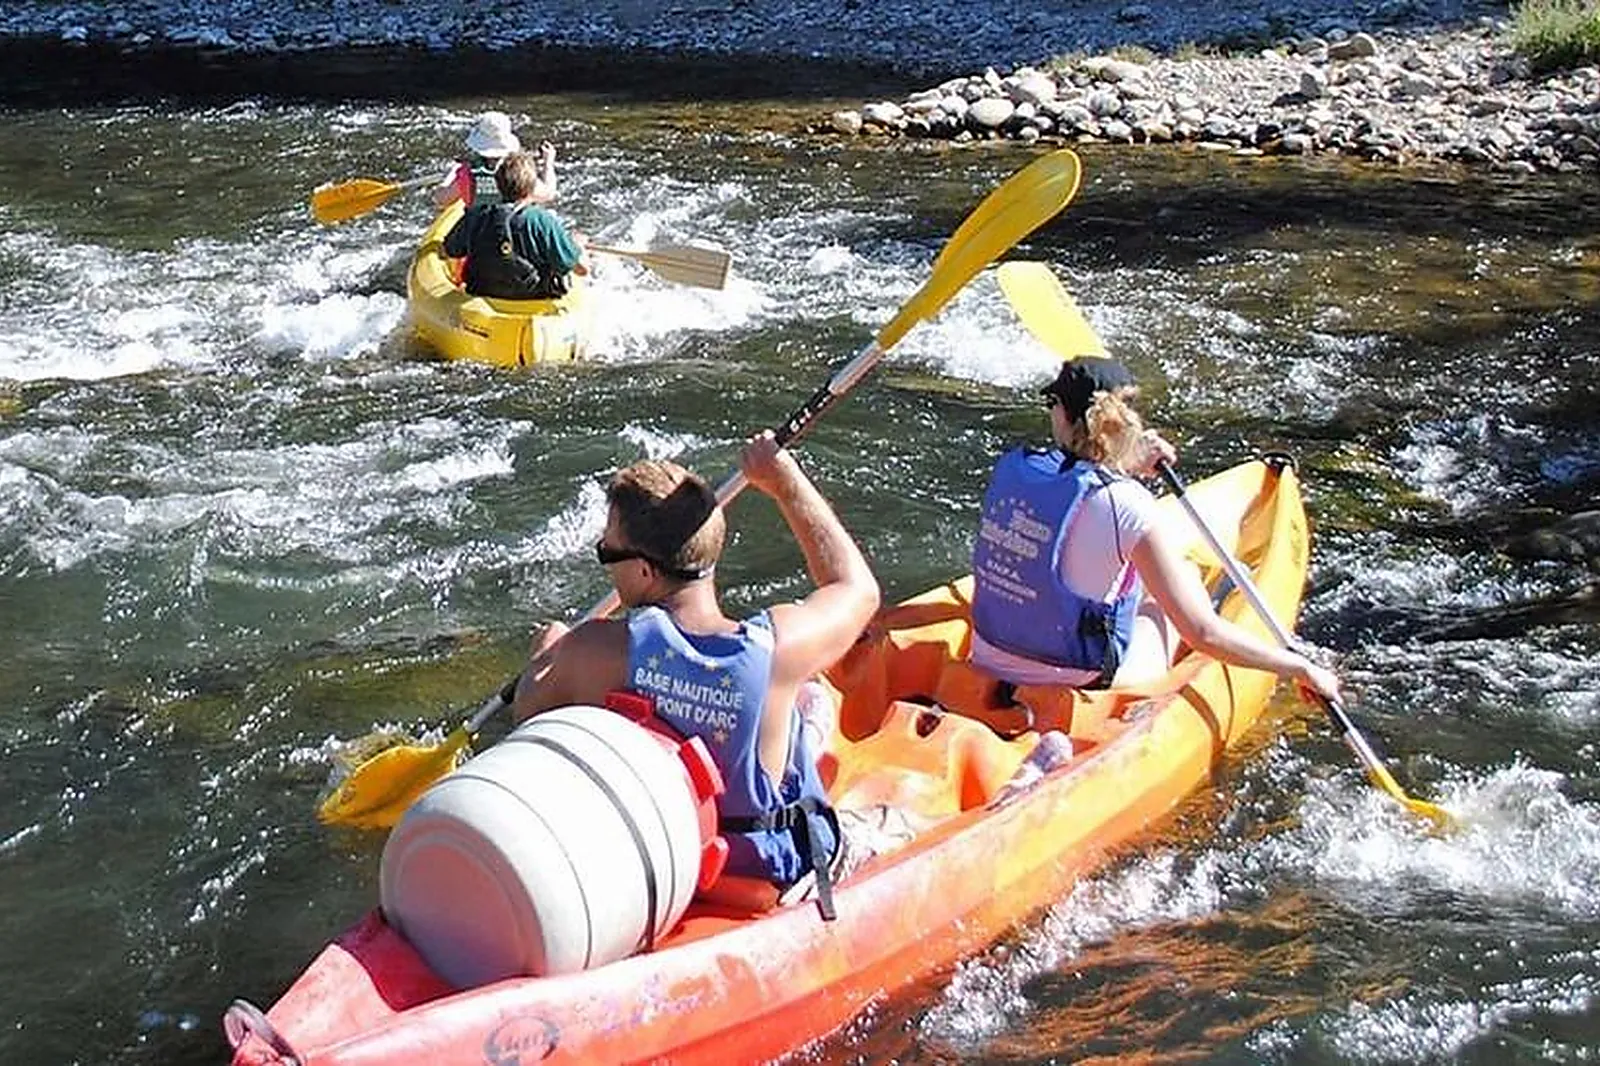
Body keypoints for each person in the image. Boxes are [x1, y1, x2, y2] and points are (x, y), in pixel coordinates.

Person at [510, 434, 901, 918]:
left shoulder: (591, 651)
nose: (606, 566)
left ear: (646, 573)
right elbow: (857, 589)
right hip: (762, 875)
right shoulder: (779, 650)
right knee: (823, 721)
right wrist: (784, 482)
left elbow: (527, 709)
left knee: (807, 703)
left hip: (663, 872)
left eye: (607, 555)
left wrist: (546, 646)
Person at [969, 356, 1342, 706]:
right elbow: (1203, 634)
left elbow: (1075, 487)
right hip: (1075, 677)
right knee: (1183, 586)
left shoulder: (1012, 469)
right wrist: (1300, 667)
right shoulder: (1128, 504)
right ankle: (1224, 587)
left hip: (988, 655)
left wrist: (1127, 463)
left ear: (1063, 413)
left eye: (1052, 402)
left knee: (1126, 576)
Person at [442, 150, 588, 301]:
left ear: (497, 184)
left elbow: (449, 251)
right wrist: (578, 246)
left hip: (482, 293)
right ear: (532, 188)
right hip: (533, 298)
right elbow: (582, 270)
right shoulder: (542, 220)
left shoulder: (476, 213)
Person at [431, 111, 558, 209]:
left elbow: (440, 199)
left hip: (480, 234)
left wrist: (451, 175)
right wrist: (548, 164)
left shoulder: (467, 173)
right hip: (511, 234)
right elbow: (548, 194)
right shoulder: (519, 174)